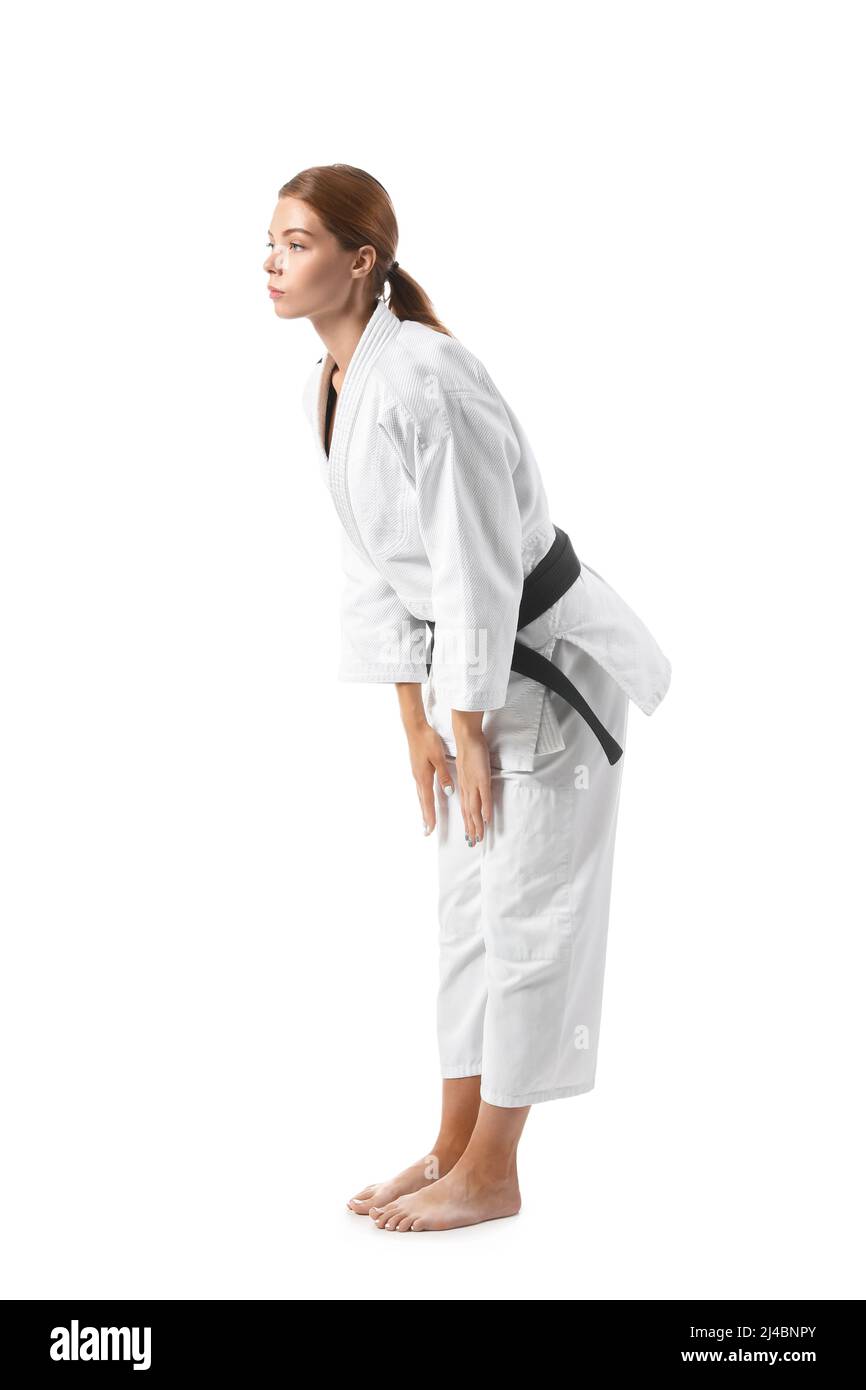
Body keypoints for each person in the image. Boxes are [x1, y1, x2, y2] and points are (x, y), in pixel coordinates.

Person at [264, 164, 671, 1233]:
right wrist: (414, 724)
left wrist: (468, 727)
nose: (271, 259)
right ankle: (450, 1143)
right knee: (464, 918)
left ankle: (494, 1168)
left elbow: (474, 568)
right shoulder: (338, 380)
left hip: (530, 673)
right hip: (463, 684)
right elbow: (376, 570)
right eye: (270, 239)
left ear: (361, 262)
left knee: (526, 912)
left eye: (297, 241)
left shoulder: (422, 380)